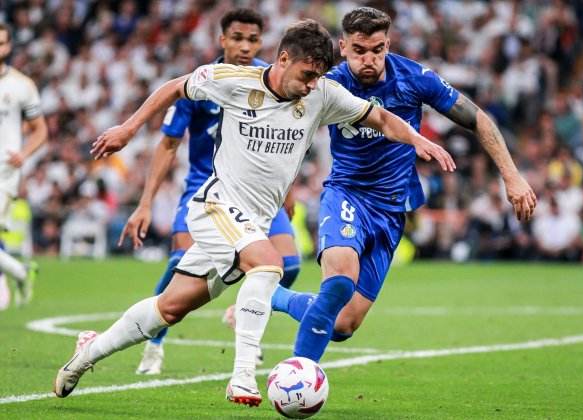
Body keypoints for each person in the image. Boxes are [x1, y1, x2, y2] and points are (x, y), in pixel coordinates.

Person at [54, 19, 455, 407]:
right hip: (215, 206)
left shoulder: (322, 94)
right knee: (268, 264)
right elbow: (175, 87)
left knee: (170, 308)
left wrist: (419, 140)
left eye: (318, 76)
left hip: (253, 221)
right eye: (307, 74)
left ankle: (89, 351)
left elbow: (381, 117)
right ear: (283, 60)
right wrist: (128, 127)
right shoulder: (233, 81)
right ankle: (243, 376)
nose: (312, 84)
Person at [270, 7, 537, 363]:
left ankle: (273, 297)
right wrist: (284, 186)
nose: (370, 59)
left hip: (391, 209)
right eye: (360, 50)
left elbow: (478, 119)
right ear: (343, 47)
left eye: (378, 50)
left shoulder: (414, 78)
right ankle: (299, 374)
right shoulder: (326, 83)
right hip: (345, 193)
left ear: (388, 44)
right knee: (338, 281)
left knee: (344, 324)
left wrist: (512, 175)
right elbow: (291, 132)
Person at [118, 8, 301, 376]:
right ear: (222, 40)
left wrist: (287, 188)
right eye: (237, 38)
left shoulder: (271, 78)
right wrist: (145, 203)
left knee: (290, 264)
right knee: (179, 266)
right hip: (206, 188)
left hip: (255, 191)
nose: (245, 46)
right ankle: (154, 344)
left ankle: (242, 311)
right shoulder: (203, 82)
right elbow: (169, 144)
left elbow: (289, 137)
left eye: (252, 39)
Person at [0, 23, 47, 308]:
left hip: (3, 172)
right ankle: (20, 271)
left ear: (8, 47)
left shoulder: (22, 85)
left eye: (2, 43)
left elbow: (40, 130)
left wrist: (24, 153)